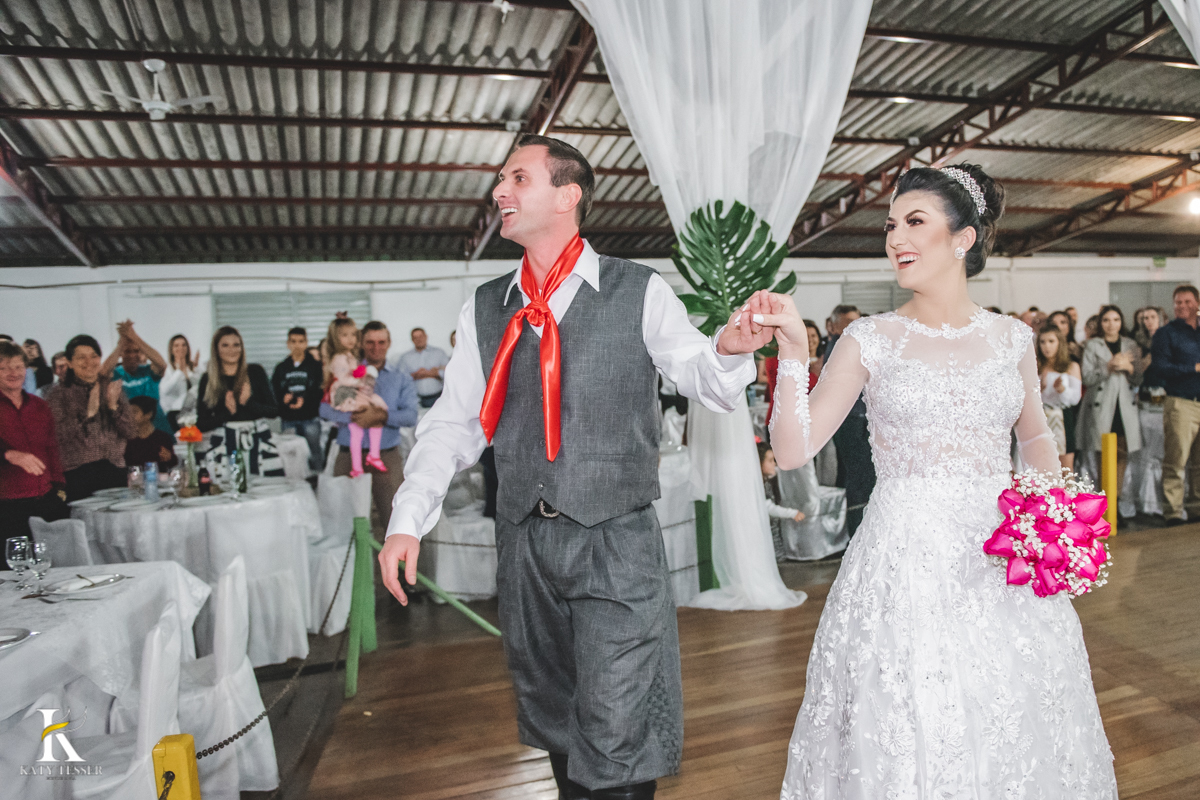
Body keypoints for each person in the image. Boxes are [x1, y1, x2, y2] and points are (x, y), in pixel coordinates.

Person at [378, 135, 763, 800]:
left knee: (619, 731)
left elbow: (708, 380)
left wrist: (728, 349)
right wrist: (408, 518)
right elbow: (454, 424)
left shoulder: (636, 289)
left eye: (517, 178)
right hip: (525, 544)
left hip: (614, 541)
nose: (500, 191)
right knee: (559, 724)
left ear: (567, 195)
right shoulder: (484, 306)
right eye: (502, 179)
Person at [757, 163, 1115, 797]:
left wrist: (1050, 513)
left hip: (1001, 551)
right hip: (906, 557)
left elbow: (1032, 434)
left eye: (914, 222)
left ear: (964, 239)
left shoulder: (1012, 338)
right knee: (911, 712)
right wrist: (791, 355)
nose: (896, 237)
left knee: (1014, 707)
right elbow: (792, 451)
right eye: (892, 225)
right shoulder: (869, 339)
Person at [321, 321, 418, 528]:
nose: (376, 347)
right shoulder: (346, 370)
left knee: (394, 522)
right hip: (348, 457)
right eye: (370, 342)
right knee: (345, 524)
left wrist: (380, 417)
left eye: (381, 342)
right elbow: (324, 409)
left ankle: (393, 562)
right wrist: (355, 417)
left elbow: (410, 416)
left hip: (386, 457)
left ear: (389, 343)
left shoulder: (401, 378)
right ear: (361, 343)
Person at [46, 335, 138, 500]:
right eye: (81, 357)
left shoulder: (111, 387)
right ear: (70, 362)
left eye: (94, 356)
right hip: (78, 472)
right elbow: (60, 437)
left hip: (114, 468)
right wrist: (89, 414)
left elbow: (131, 432)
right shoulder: (58, 394)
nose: (89, 362)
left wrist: (113, 408)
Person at [0, 340, 68, 558]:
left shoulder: (40, 406)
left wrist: (59, 486)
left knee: (54, 567)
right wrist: (8, 454)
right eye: (3, 367)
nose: (13, 373)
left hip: (46, 499)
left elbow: (51, 448)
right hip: (7, 506)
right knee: (15, 574)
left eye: (18, 366)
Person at [1078, 304, 1142, 498]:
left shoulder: (1130, 344)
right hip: (1102, 405)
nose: (1111, 324)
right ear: (1100, 323)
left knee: (1122, 453)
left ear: (1121, 322)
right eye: (1106, 320)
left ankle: (1116, 499)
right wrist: (1109, 366)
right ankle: (1104, 502)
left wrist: (1129, 368)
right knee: (1103, 454)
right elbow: (1087, 377)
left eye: (1115, 320)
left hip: (1124, 406)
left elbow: (1139, 378)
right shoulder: (1092, 345)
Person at [1151, 284, 1200, 525]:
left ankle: (1196, 508)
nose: (1182, 306)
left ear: (1197, 304)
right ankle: (1172, 511)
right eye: (1178, 302)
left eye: (1187, 302)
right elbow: (1160, 368)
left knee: (1199, 462)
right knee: (1176, 459)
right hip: (1181, 402)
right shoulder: (1165, 333)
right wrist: (1192, 368)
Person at [825, 303, 875, 538]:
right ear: (834, 326)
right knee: (859, 479)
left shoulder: (854, 346)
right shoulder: (839, 349)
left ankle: (856, 530)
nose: (853, 328)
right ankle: (857, 532)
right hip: (850, 421)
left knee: (856, 477)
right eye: (847, 324)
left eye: (856, 323)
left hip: (857, 419)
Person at [323, 317, 390, 477]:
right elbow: (343, 380)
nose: (351, 339)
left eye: (353, 335)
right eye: (345, 335)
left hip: (352, 391)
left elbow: (409, 416)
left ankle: (365, 461)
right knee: (373, 410)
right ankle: (366, 460)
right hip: (346, 394)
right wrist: (361, 378)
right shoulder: (340, 358)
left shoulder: (349, 356)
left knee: (370, 422)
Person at [197, 327, 277, 431]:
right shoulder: (207, 379)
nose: (232, 350)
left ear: (242, 348)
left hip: (256, 437)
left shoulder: (256, 371)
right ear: (216, 349)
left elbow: (274, 411)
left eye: (236, 345)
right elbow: (201, 425)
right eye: (225, 345)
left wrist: (249, 403)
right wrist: (227, 414)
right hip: (224, 440)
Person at [272, 327, 325, 473]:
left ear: (306, 343)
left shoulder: (315, 366)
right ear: (288, 343)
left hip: (310, 418)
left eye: (301, 341)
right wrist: (283, 398)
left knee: (314, 453)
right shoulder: (281, 368)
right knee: (291, 455)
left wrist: (305, 400)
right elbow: (274, 390)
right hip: (289, 418)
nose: (297, 345)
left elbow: (319, 390)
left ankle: (318, 484)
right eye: (293, 341)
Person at [103, 320, 170, 433]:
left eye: (136, 351)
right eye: (127, 351)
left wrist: (134, 337)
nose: (132, 355)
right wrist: (121, 343)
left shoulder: (148, 371)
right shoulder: (115, 374)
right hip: (129, 431)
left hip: (157, 429)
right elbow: (103, 372)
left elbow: (162, 364)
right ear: (121, 353)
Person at [1036, 322, 1081, 470]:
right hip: (1040, 418)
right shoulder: (1036, 366)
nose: (1046, 346)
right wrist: (1038, 390)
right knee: (1040, 466)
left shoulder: (1070, 366)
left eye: (1051, 341)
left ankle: (1066, 494)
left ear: (1059, 343)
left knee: (1065, 467)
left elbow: (1075, 398)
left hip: (1062, 417)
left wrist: (1062, 389)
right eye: (1042, 342)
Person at [758, 441, 804, 560]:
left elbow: (779, 470)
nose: (774, 464)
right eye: (770, 460)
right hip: (766, 536)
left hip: (773, 533)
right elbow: (768, 507)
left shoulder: (767, 480)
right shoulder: (759, 486)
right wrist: (792, 513)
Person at [392, 326, 449, 408]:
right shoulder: (405, 357)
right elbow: (399, 378)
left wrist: (428, 373)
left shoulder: (439, 353)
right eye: (415, 337)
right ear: (412, 340)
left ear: (426, 337)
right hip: (414, 399)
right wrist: (415, 375)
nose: (419, 339)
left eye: (421, 336)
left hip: (438, 398)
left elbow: (448, 374)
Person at [123, 395, 179, 471]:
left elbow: (172, 464)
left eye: (134, 412)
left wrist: (169, 458)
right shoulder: (126, 439)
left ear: (148, 415)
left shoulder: (162, 438)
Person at [159, 334, 200, 429]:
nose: (180, 348)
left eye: (183, 345)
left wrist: (189, 374)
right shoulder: (170, 369)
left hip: (193, 413)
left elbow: (199, 388)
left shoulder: (193, 368)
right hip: (175, 414)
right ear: (172, 350)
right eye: (176, 345)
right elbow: (165, 390)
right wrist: (179, 372)